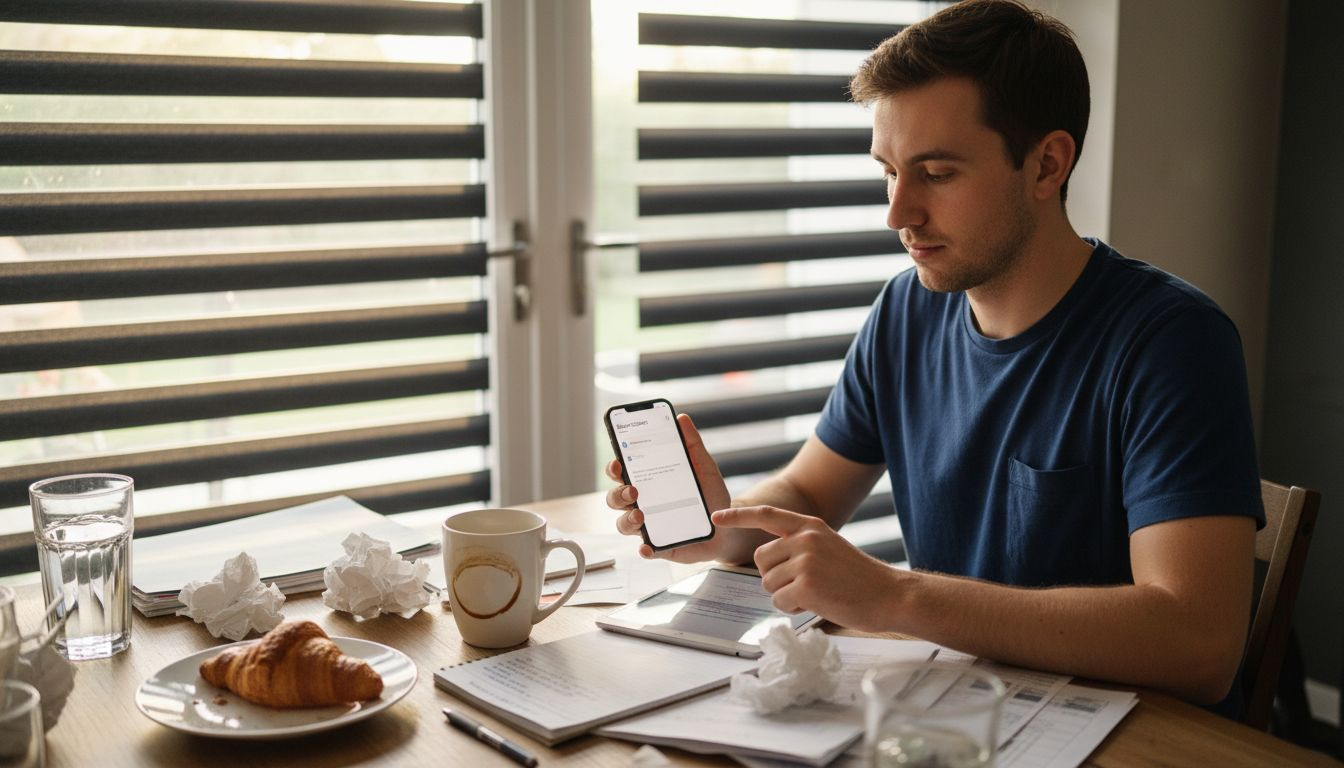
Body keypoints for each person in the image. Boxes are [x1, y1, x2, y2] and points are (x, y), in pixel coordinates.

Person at [605, 0, 1264, 716]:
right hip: (955, 712)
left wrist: (894, 596)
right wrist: (723, 522)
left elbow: (1199, 645)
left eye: (937, 174)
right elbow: (810, 496)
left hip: (1127, 737)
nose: (897, 213)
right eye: (889, 171)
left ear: (1047, 164)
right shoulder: (907, 311)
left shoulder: (1171, 342)